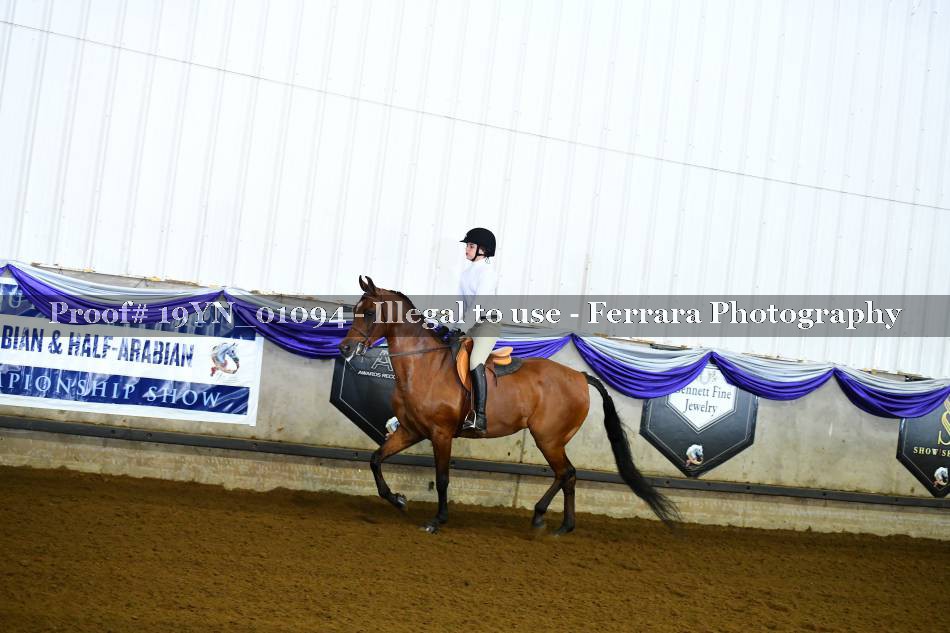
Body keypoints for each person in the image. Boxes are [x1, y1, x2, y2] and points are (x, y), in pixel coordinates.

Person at [457, 227, 499, 434]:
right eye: (467, 245)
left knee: (475, 360)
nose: (467, 249)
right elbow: (460, 304)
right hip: (470, 325)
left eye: (471, 246)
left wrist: (462, 327)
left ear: (483, 250)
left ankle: (480, 416)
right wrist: (450, 325)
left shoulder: (488, 273)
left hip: (487, 325)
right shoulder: (466, 274)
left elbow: (479, 305)